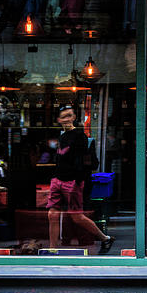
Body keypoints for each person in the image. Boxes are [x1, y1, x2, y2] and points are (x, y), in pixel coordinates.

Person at [46, 104, 115, 254]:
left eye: (69, 116)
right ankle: (52, 249)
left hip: (72, 181)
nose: (66, 119)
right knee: (52, 214)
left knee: (77, 216)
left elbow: (84, 161)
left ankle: (105, 238)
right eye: (63, 117)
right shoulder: (62, 136)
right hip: (58, 180)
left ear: (74, 117)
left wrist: (78, 181)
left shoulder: (79, 136)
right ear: (58, 119)